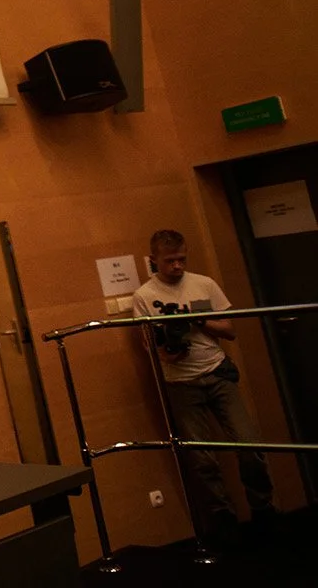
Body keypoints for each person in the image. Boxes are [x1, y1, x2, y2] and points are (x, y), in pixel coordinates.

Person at [132, 229, 275, 543]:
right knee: (202, 458)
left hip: (217, 372)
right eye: (170, 261)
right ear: (154, 259)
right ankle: (222, 519)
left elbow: (229, 330)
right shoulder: (143, 296)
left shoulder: (204, 283)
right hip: (181, 382)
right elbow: (150, 348)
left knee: (249, 445)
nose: (177, 266)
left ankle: (263, 509)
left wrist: (198, 321)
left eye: (182, 259)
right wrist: (168, 350)